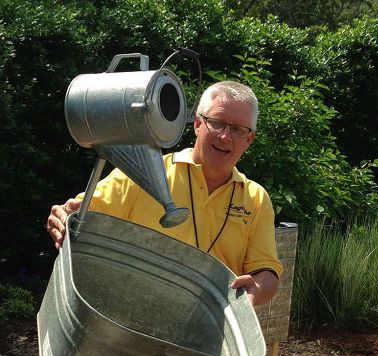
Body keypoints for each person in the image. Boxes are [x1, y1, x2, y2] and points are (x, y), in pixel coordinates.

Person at [47, 81, 283, 305]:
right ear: (198, 124)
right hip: (130, 321)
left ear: (249, 139)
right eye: (217, 123)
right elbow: (80, 215)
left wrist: (257, 290)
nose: (225, 136)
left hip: (209, 333)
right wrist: (64, 217)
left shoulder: (256, 198)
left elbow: (267, 271)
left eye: (238, 129)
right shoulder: (144, 173)